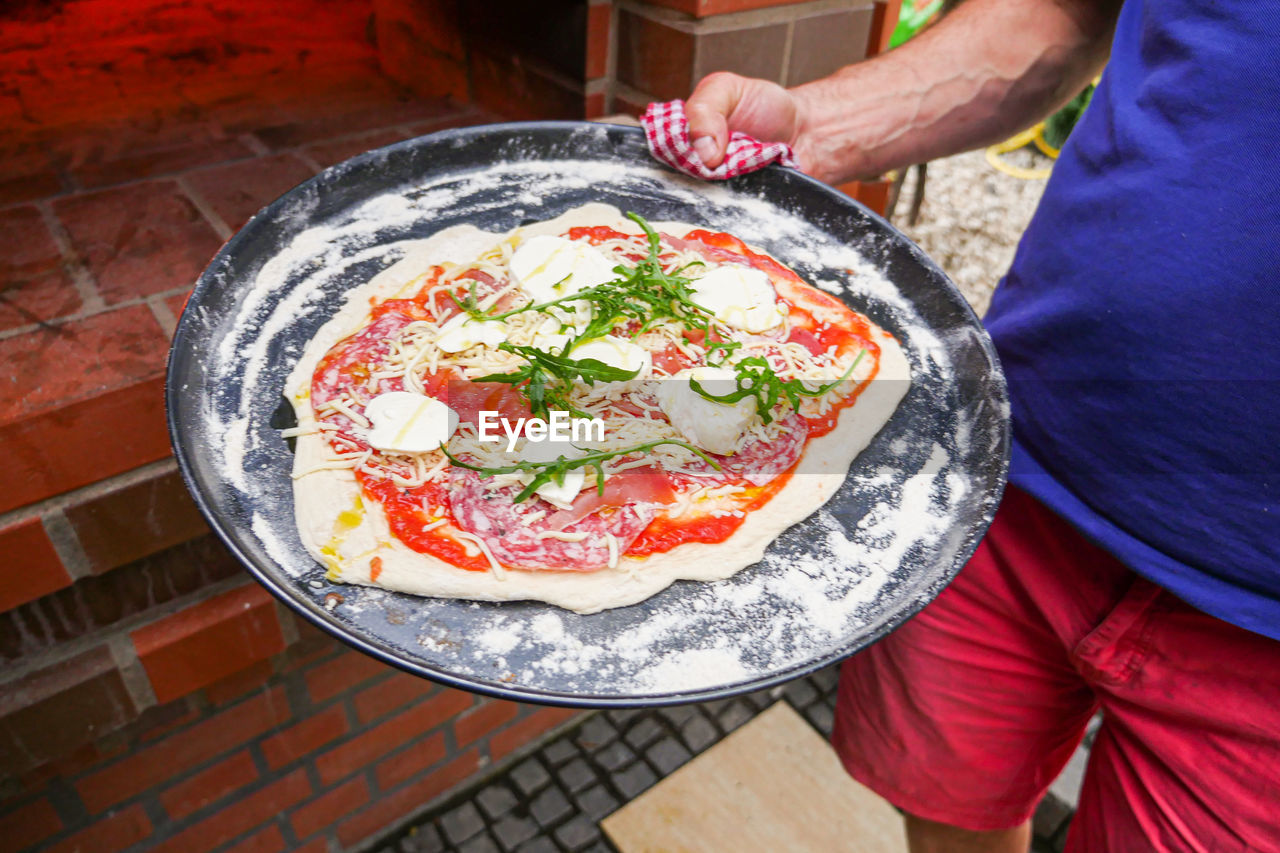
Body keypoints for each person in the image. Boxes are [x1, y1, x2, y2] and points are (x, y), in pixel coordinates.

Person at [684, 0, 1279, 850]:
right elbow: (1060, 15)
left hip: (1261, 635)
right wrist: (813, 125)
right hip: (1008, 464)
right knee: (948, 822)